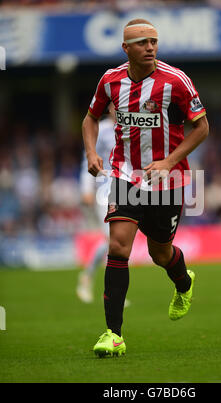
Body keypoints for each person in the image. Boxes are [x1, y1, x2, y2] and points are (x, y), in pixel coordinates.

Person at [82, 18, 209, 357]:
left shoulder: (176, 80)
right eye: (142, 42)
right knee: (119, 248)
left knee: (160, 253)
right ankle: (114, 334)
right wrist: (92, 152)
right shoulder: (110, 81)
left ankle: (184, 282)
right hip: (125, 176)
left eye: (153, 40)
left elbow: (202, 127)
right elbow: (90, 117)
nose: (150, 47)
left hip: (168, 180)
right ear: (126, 48)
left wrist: (168, 161)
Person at [76, 104, 114, 303]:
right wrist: (86, 189)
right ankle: (95, 282)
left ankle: (93, 280)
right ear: (110, 108)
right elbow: (88, 160)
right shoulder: (102, 129)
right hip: (104, 190)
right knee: (111, 240)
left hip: (128, 190)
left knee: (117, 242)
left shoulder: (131, 128)